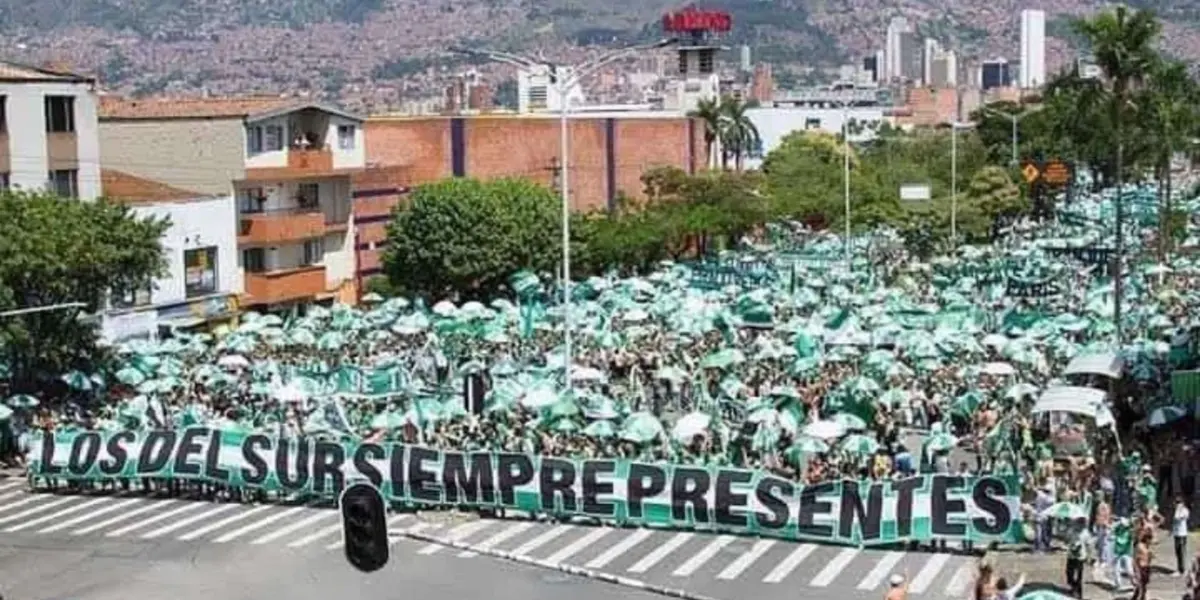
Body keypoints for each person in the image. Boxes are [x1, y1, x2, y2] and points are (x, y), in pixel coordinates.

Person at [1066, 517, 1092, 598]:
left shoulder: (1085, 533)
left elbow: (1089, 545)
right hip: (1071, 555)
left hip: (1080, 557)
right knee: (1069, 573)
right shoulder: (1071, 531)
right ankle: (1073, 586)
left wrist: (1089, 556)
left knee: (1078, 576)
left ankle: (1079, 593)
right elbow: (1066, 539)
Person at [1131, 531, 1153, 600]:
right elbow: (1135, 558)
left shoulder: (1147, 546)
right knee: (1141, 586)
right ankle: (1141, 598)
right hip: (1140, 567)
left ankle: (1136, 597)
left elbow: (1148, 558)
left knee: (1143, 585)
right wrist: (1136, 570)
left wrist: (1150, 556)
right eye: (1149, 540)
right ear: (1146, 539)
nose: (1150, 542)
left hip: (1146, 567)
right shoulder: (1139, 546)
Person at [1174, 496, 1191, 576]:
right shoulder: (1176, 510)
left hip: (1182, 534)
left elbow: (1180, 518)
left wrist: (1179, 510)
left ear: (1182, 503)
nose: (1178, 504)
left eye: (1179, 502)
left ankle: (1184, 570)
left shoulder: (1185, 511)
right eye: (1177, 502)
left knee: (1182, 552)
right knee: (1177, 552)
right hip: (1176, 533)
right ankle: (1179, 569)